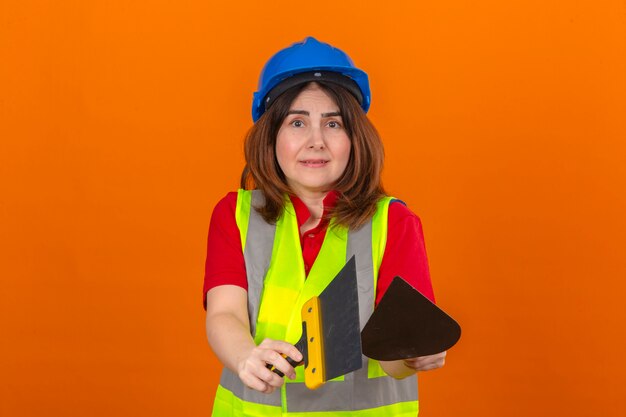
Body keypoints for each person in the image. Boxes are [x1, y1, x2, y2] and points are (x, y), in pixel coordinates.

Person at [203, 37, 446, 416]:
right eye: (297, 122)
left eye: (333, 123)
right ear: (271, 137)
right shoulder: (235, 215)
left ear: (354, 139)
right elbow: (224, 313)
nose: (315, 141)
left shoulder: (394, 223)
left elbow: (397, 355)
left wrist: (415, 354)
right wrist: (245, 356)